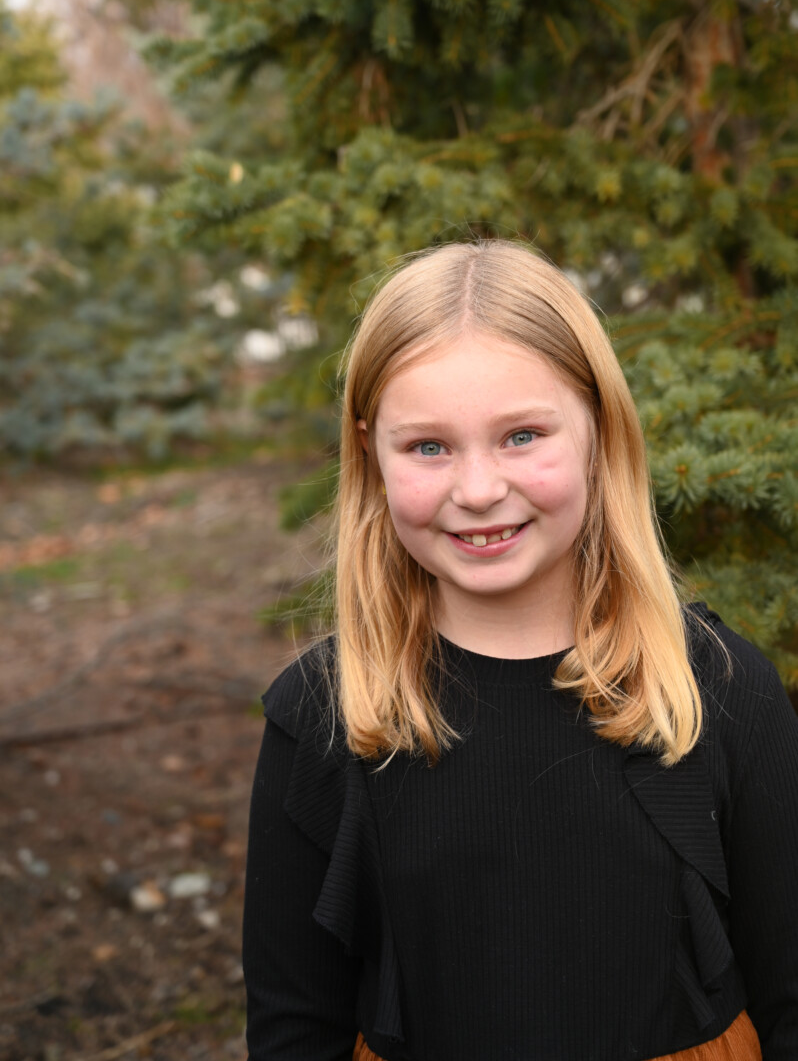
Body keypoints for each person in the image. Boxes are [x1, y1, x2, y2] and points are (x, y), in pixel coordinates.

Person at [242, 239, 798, 1061]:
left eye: (523, 435)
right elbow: (293, 1025)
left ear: (599, 430)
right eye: (428, 447)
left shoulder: (720, 689)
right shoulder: (321, 716)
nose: (477, 490)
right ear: (369, 452)